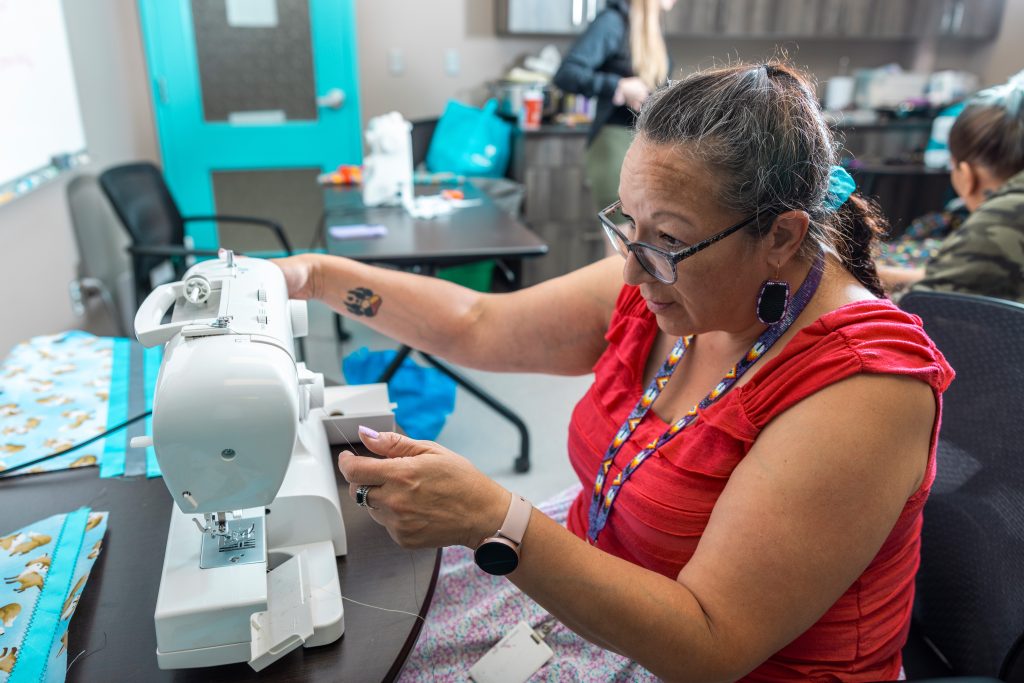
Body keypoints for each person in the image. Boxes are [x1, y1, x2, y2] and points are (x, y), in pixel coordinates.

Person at [275, 62, 953, 681]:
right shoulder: (669, 281)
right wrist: (317, 275)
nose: (630, 270)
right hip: (611, 599)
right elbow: (476, 324)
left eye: (667, 238)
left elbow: (712, 643)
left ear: (781, 235)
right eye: (627, 224)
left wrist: (495, 518)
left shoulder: (862, 388)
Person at [877, 70, 1024, 302]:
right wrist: (877, 274)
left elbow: (921, 305)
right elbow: (965, 277)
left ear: (966, 175)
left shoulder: (1005, 215)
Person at [554, 0, 676, 248]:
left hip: (641, 143)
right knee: (621, 245)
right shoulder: (612, 23)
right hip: (612, 144)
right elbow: (567, 74)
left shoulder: (648, 29)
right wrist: (617, 86)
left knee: (637, 244)